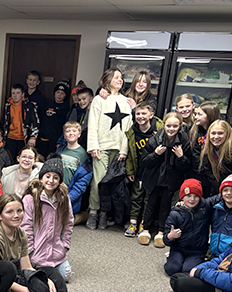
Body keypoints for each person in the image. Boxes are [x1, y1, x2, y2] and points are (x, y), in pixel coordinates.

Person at [0, 193, 92, 292]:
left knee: (52, 272)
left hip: (18, 273)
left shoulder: (21, 232)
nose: (16, 215)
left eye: (19, 211)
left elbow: (26, 267)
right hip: (2, 281)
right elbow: (2, 279)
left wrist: (46, 280)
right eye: (9, 212)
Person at [86, 68, 133, 230]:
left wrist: (124, 150)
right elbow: (92, 123)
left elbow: (128, 129)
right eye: (116, 77)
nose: (120, 80)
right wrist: (93, 146)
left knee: (111, 183)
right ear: (108, 80)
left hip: (118, 148)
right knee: (98, 181)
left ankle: (104, 214)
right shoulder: (99, 99)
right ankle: (93, 211)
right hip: (101, 147)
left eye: (121, 77)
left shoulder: (127, 102)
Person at [137, 112, 191, 248]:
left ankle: (161, 232)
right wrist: (155, 154)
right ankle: (145, 230)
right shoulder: (154, 139)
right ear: (164, 125)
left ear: (179, 126)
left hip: (171, 180)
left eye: (175, 126)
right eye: (168, 126)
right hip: (154, 179)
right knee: (150, 204)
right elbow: (144, 162)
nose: (171, 129)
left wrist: (180, 157)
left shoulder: (184, 140)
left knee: (165, 206)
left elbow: (186, 166)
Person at [22, 157, 74, 281]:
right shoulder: (30, 199)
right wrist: (29, 250)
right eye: (48, 176)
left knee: (65, 276)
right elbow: (26, 226)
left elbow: (69, 223)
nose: (51, 180)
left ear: (60, 181)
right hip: (36, 252)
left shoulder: (63, 199)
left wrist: (65, 245)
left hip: (57, 252)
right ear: (41, 178)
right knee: (38, 278)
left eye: (55, 177)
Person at [163, 179, 219, 276]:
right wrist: (170, 236)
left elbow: (222, 196)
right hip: (179, 248)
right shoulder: (175, 214)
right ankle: (173, 258)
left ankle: (191, 261)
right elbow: (165, 239)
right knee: (171, 269)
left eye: (196, 196)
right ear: (182, 197)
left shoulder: (205, 206)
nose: (192, 199)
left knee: (188, 270)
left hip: (197, 251)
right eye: (188, 196)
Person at [125, 102, 163, 238]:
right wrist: (130, 171)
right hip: (139, 171)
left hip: (153, 172)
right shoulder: (132, 131)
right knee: (136, 197)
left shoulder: (159, 129)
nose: (141, 116)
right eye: (138, 114)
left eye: (144, 113)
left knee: (149, 199)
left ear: (151, 115)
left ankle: (144, 223)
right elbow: (130, 153)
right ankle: (133, 222)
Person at [199, 120, 232, 198]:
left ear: (227, 134)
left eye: (220, 133)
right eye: (213, 133)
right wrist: (221, 193)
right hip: (219, 190)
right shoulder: (207, 151)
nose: (216, 137)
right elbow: (211, 177)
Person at [57, 121, 92, 221]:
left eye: (74, 131)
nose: (71, 133)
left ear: (79, 134)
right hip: (56, 191)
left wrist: (69, 198)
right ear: (64, 135)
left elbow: (82, 182)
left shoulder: (83, 154)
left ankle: (82, 216)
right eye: (67, 131)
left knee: (63, 221)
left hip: (70, 194)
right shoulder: (60, 150)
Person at [188, 102, 221, 195]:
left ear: (209, 116)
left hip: (213, 176)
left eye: (199, 114)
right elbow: (194, 154)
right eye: (196, 114)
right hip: (197, 174)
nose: (195, 117)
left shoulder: (217, 133)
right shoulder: (194, 131)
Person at [0, 83, 40, 161]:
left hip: (24, 138)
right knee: (10, 160)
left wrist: (33, 137)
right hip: (10, 137)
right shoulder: (7, 105)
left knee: (23, 160)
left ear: (22, 94)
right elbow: (4, 122)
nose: (15, 95)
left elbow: (35, 122)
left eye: (18, 93)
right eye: (13, 93)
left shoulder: (29, 106)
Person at [38, 80, 71, 157]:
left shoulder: (66, 108)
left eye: (62, 93)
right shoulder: (47, 104)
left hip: (55, 139)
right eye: (58, 92)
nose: (59, 95)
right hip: (44, 137)